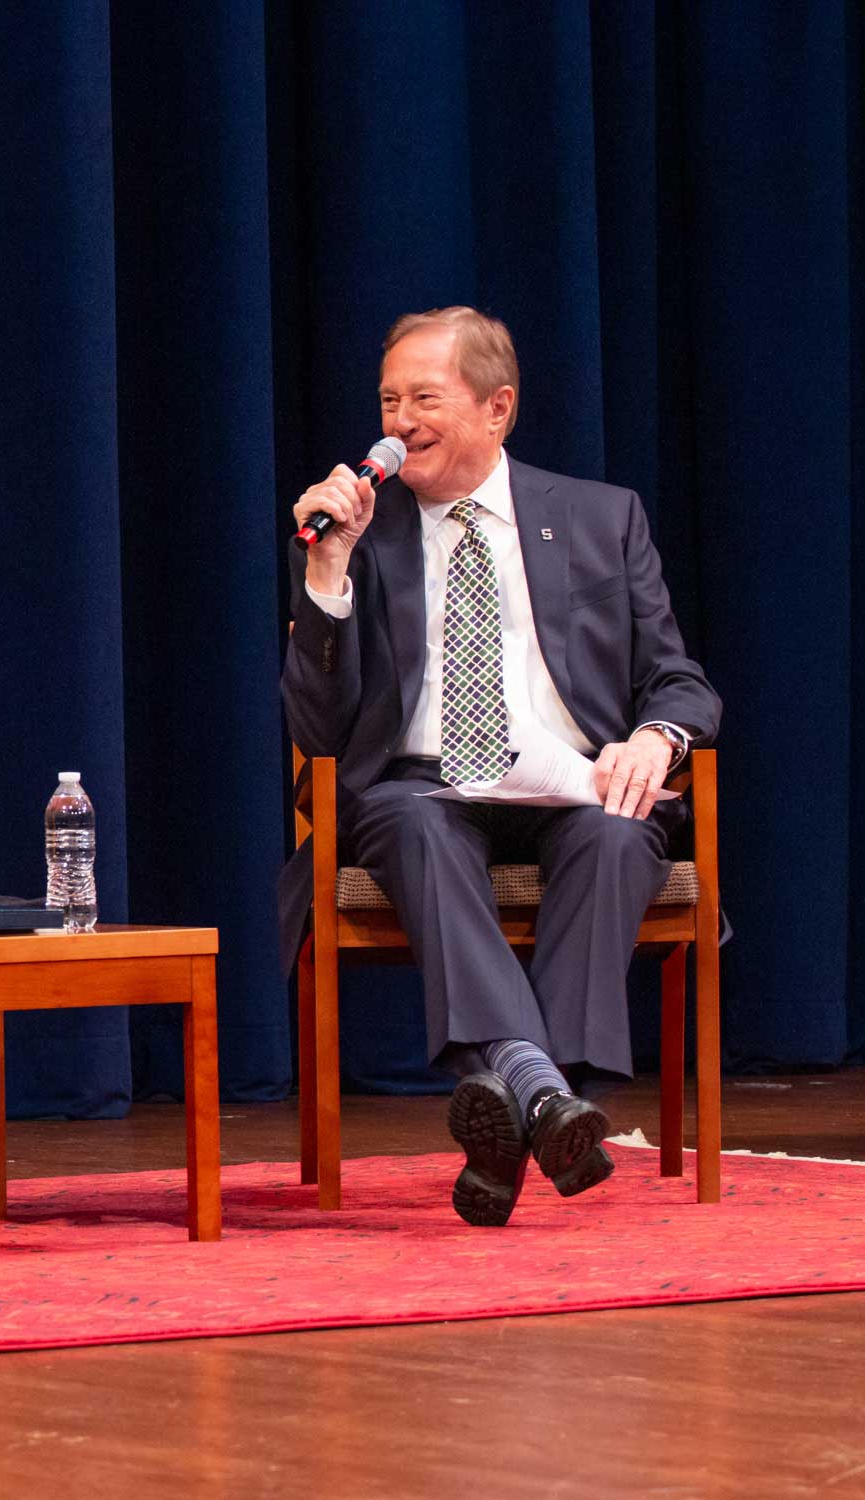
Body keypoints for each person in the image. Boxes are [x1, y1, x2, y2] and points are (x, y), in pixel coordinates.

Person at [279, 306, 720, 1227]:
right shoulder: (367, 534)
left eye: (425, 398)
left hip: (574, 780)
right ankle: (546, 1093)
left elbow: (677, 679)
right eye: (388, 400)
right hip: (423, 786)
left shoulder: (602, 517)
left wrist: (657, 738)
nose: (398, 421)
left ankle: (512, 1107)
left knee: (617, 835)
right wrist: (329, 572)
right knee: (411, 822)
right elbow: (318, 733)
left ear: (497, 408)